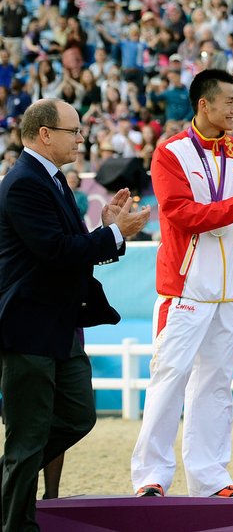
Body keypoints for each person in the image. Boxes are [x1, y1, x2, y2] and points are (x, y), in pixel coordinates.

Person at [130, 70, 233, 499]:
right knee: (169, 379)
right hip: (183, 288)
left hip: (228, 289)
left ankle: (210, 477)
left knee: (216, 384)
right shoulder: (170, 153)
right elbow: (180, 213)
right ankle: (150, 475)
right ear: (203, 104)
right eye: (228, 100)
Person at [0, 99, 149, 531]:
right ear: (45, 133)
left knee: (78, 415)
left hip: (59, 326)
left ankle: (11, 477)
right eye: (74, 131)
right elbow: (57, 252)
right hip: (29, 328)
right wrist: (116, 233)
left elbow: (69, 248)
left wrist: (106, 227)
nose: (81, 139)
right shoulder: (25, 182)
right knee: (27, 440)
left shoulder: (53, 180)